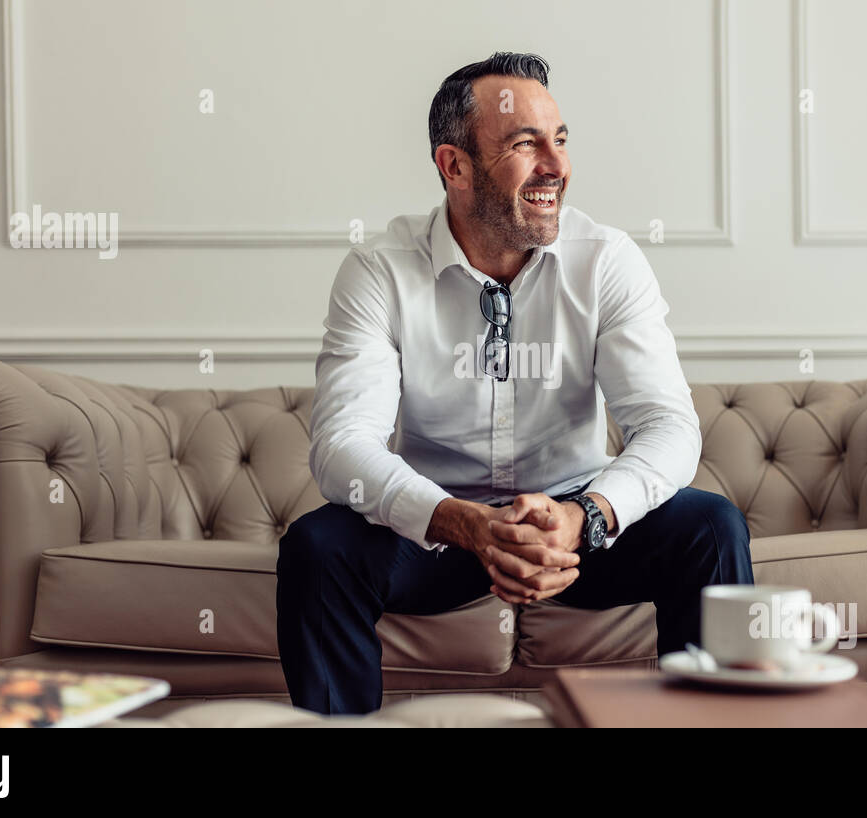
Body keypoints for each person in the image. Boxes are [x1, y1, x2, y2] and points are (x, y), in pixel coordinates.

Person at [277, 52, 753, 714]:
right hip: (440, 526)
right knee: (318, 548)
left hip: (575, 524)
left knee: (712, 527)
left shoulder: (607, 260)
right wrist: (467, 525)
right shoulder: (380, 272)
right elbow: (340, 447)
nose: (556, 167)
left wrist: (582, 515)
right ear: (456, 166)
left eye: (559, 140)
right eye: (526, 144)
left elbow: (668, 426)